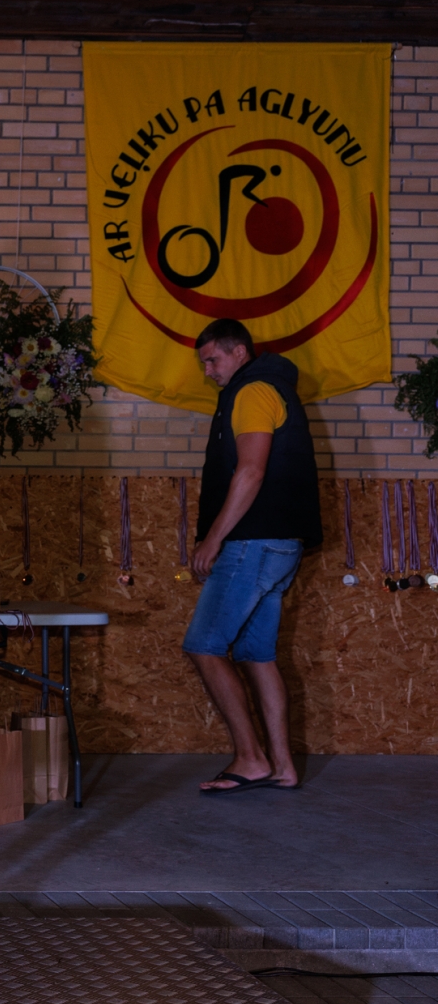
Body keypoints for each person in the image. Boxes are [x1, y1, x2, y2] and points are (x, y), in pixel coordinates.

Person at [185, 318, 321, 795]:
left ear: (239, 352)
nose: (208, 371)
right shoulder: (271, 387)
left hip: (253, 543)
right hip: (280, 544)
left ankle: (251, 757)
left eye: (212, 360)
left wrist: (212, 539)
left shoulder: (252, 391)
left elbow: (251, 471)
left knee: (204, 645)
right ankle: (282, 766)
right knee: (255, 655)